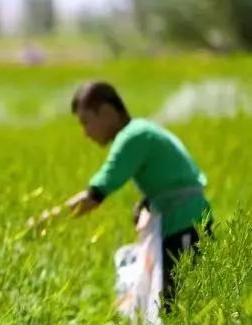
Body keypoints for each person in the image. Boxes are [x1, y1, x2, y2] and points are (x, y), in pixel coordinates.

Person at [42, 81, 213, 309]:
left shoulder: (133, 137)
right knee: (175, 306)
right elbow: (170, 180)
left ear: (106, 112)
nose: (85, 133)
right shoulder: (141, 130)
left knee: (180, 308)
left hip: (185, 226)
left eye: (86, 122)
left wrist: (47, 221)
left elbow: (96, 193)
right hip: (186, 223)